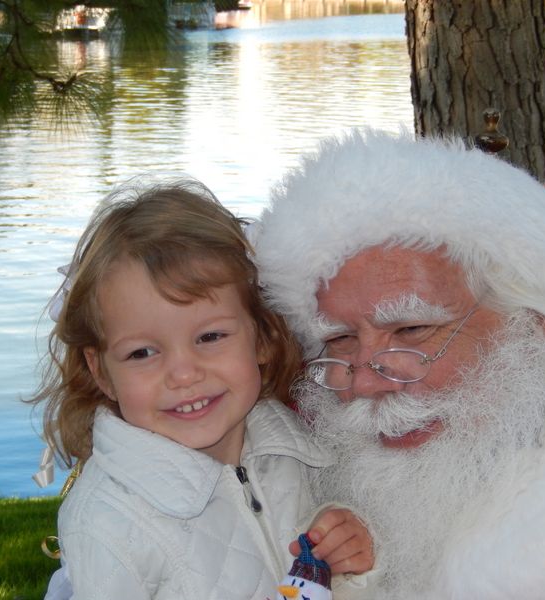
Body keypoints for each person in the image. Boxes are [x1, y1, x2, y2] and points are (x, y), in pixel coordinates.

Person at [252, 129, 545, 600]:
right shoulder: (294, 462)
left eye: (411, 330)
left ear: (533, 329)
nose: (364, 383)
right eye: (341, 339)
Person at [33, 177, 374, 599]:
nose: (183, 373)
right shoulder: (107, 521)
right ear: (101, 371)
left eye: (210, 338)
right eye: (142, 353)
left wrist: (348, 557)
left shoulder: (301, 449)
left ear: (263, 337)